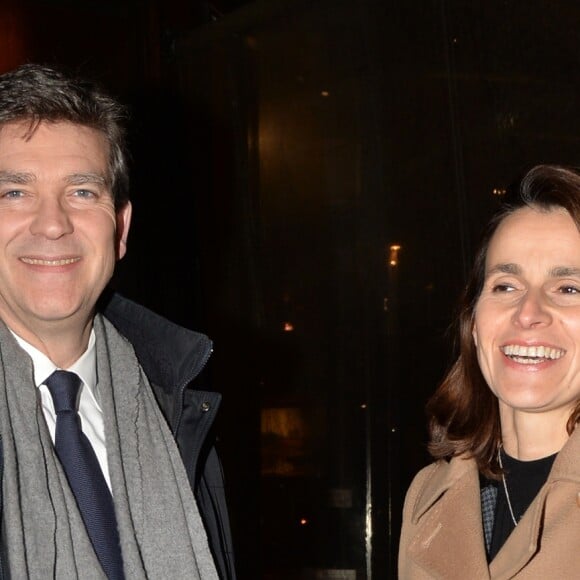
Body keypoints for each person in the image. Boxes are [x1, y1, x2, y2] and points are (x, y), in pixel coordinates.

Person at [0, 63, 235, 579]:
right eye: (15, 192)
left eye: (82, 191)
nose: (53, 223)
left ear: (121, 228)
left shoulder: (181, 416)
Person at [398, 164, 580, 578]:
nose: (528, 312)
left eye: (568, 288)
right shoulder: (428, 496)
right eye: (506, 286)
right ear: (475, 323)